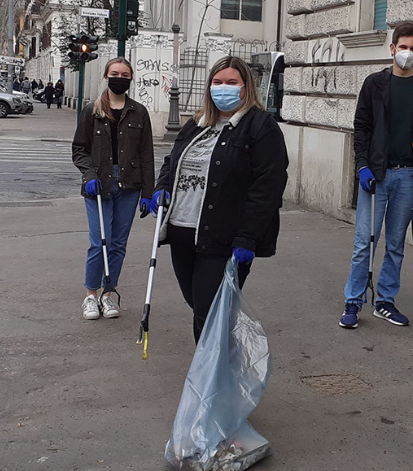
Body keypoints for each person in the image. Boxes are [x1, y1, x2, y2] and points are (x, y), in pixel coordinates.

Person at [145, 56, 287, 342]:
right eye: (217, 82)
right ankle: (222, 365)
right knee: (200, 305)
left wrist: (248, 237)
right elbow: (172, 161)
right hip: (181, 231)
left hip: (223, 237)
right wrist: (162, 186)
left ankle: (211, 378)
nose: (223, 88)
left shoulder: (261, 127)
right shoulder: (197, 123)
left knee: (208, 312)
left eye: (232, 83)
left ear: (246, 88)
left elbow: (268, 187)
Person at [338, 23, 413, 329]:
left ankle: (385, 301)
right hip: (377, 175)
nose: (408, 53)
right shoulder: (375, 84)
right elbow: (362, 127)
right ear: (392, 49)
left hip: (409, 175)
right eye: (403, 47)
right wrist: (362, 166)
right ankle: (353, 301)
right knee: (364, 242)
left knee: (396, 243)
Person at [72, 57, 154, 319]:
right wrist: (89, 175)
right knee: (100, 242)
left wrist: (148, 193)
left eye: (125, 74)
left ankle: (109, 294)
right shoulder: (91, 111)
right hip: (99, 184)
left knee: (118, 243)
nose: (120, 77)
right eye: (115, 73)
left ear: (131, 79)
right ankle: (90, 295)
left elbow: (146, 155)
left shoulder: (139, 112)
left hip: (129, 185)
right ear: (106, 77)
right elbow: (79, 149)